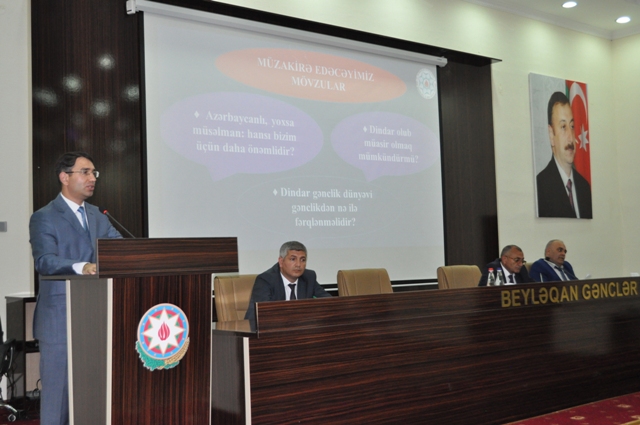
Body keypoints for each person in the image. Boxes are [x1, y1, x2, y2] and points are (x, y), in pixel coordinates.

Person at [29, 152, 122, 425]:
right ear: (64, 177)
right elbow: (45, 261)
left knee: (94, 395)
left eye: (94, 173)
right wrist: (83, 267)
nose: (92, 178)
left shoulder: (98, 215)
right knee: (57, 399)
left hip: (97, 317)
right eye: (85, 172)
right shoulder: (44, 217)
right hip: (60, 319)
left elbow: (120, 249)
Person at [244, 241, 331, 323]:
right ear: (281, 262)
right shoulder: (265, 280)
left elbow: (329, 302)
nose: (298, 265)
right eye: (293, 259)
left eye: (302, 260)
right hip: (264, 328)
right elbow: (265, 314)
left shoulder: (309, 277)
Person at [536, 91, 592, 218]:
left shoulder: (584, 187)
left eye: (572, 126)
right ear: (551, 135)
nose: (570, 137)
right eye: (563, 127)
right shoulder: (541, 187)